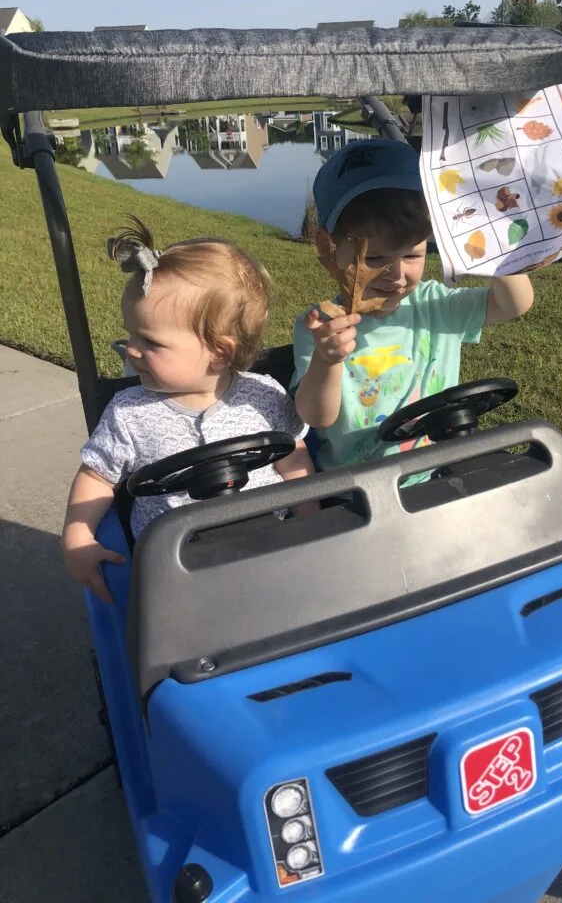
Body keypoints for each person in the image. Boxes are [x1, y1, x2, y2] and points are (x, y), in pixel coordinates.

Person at [62, 217, 313, 604]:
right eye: (130, 334)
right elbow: (96, 476)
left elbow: (293, 457)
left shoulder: (263, 397)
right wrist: (78, 536)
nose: (131, 350)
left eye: (150, 342)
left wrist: (310, 517)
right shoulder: (129, 412)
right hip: (173, 567)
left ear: (220, 352)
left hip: (271, 546)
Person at [291, 139, 534, 472]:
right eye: (374, 257)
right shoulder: (320, 328)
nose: (396, 274)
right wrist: (327, 360)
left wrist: (489, 245)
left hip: (438, 470)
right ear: (327, 247)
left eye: (412, 254)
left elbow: (514, 304)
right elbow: (316, 417)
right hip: (356, 490)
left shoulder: (436, 305)